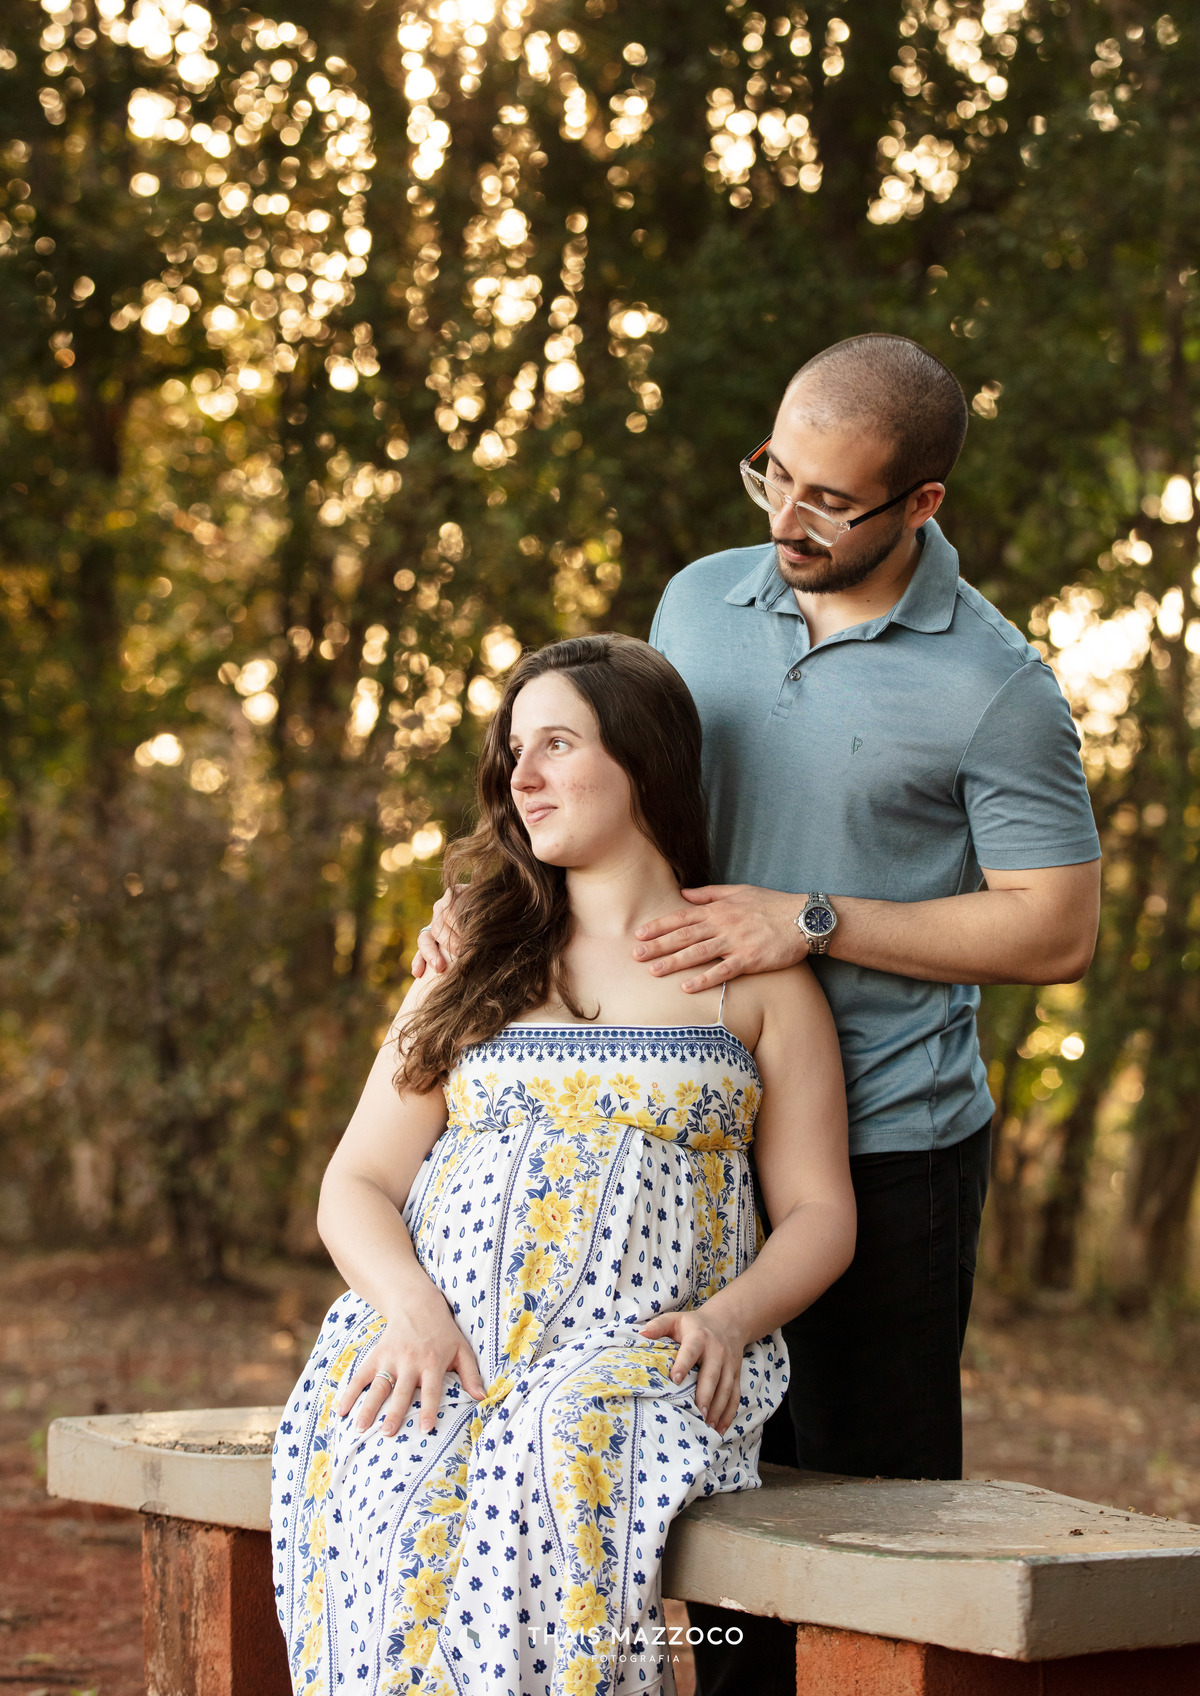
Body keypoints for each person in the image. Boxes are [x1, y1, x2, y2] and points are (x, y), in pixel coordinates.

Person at [415, 334, 1102, 1695]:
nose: (784, 522)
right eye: (771, 477)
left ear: (921, 506)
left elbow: (1055, 925)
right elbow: (614, 794)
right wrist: (489, 910)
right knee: (711, 1519)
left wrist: (815, 918)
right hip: (685, 1135)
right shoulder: (697, 604)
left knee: (867, 1531)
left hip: (884, 1157)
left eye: (829, 502)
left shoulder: (997, 689)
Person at [272, 635, 855, 1696]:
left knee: (559, 1438)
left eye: (556, 745)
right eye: (511, 754)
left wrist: (728, 1320)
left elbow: (820, 1211)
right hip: (435, 1343)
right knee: (388, 1491)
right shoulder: (474, 960)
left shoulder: (751, 980)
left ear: (643, 764)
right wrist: (411, 1313)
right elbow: (355, 1182)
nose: (521, 778)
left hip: (632, 1366)